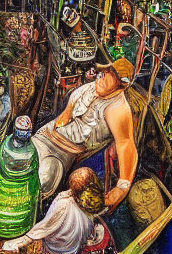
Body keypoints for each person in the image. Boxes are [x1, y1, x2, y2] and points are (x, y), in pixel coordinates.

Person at [32, 58, 137, 205]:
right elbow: (67, 112)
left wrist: (122, 187)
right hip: (47, 135)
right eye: (105, 72)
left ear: (120, 85)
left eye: (109, 75)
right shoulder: (90, 88)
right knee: (22, 160)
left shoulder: (118, 109)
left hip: (65, 151)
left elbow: (126, 143)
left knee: (44, 181)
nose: (102, 77)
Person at [2, 168, 105, 254]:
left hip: (57, 249)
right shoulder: (91, 204)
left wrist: (20, 242)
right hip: (73, 249)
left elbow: (45, 227)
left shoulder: (64, 204)